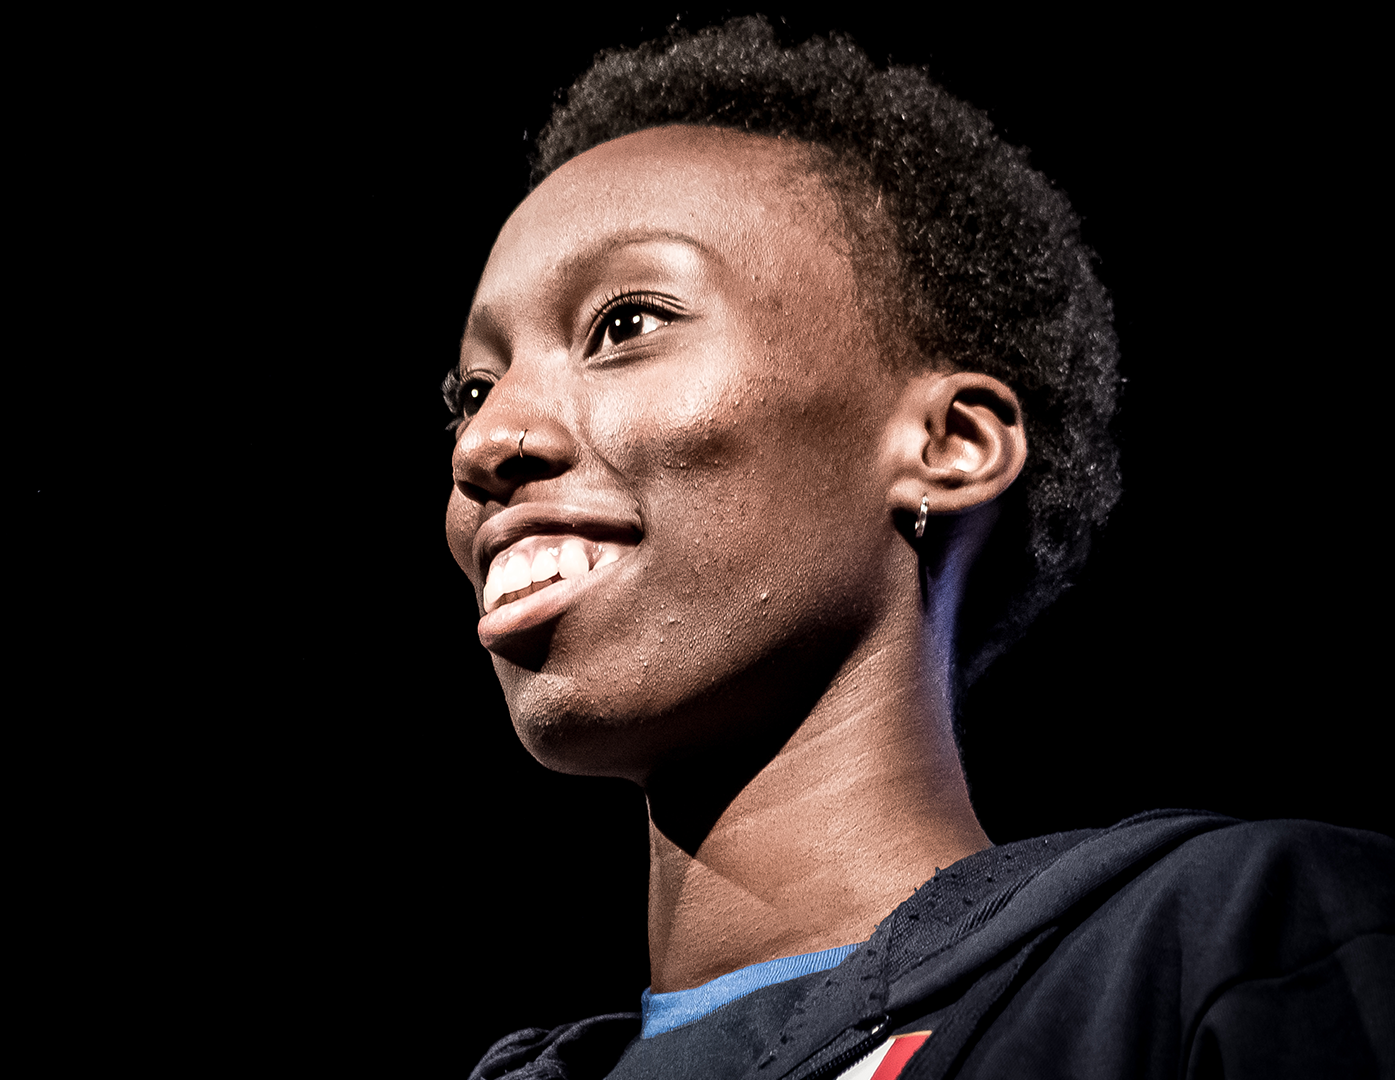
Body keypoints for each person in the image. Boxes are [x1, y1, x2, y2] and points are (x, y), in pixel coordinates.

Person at [443, 18, 1393, 1079]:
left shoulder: (1220, 953)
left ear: (951, 446)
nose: (485, 442)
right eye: (472, 392)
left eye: (625, 325)